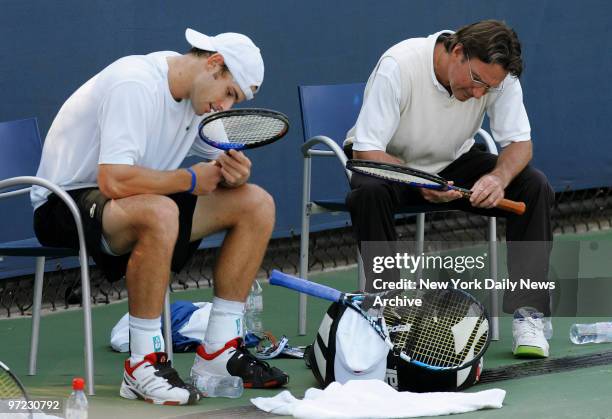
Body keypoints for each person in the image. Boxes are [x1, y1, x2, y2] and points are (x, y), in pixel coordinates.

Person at [31, 28, 288, 406]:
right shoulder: (135, 83)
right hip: (63, 204)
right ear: (214, 65)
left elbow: (213, 162)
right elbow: (113, 178)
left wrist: (234, 172)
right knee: (163, 210)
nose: (226, 106)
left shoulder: (196, 100)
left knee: (255, 203)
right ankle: (143, 365)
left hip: (137, 203)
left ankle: (218, 354)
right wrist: (189, 179)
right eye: (230, 93)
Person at [344, 20, 554, 358]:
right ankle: (390, 311)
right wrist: (421, 181)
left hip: (452, 165)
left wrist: (498, 179)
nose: (479, 95)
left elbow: (519, 143)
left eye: (489, 88)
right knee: (368, 193)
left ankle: (528, 314)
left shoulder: (498, 77)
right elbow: (366, 150)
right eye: (475, 82)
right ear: (457, 52)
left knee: (533, 185)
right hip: (389, 166)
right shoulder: (398, 65)